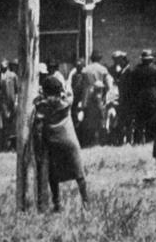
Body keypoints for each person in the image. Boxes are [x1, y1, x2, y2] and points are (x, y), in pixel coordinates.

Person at [34, 75, 88, 212]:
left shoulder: (41, 107)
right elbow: (69, 95)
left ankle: (57, 203)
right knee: (79, 174)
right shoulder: (66, 103)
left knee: (53, 175)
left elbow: (38, 127)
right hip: (70, 142)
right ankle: (86, 201)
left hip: (52, 142)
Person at [129, 50, 156, 144]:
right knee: (151, 120)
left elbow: (133, 86)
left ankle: (138, 141)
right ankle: (150, 140)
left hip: (140, 98)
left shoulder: (136, 70)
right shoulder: (155, 69)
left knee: (140, 121)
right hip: (152, 97)